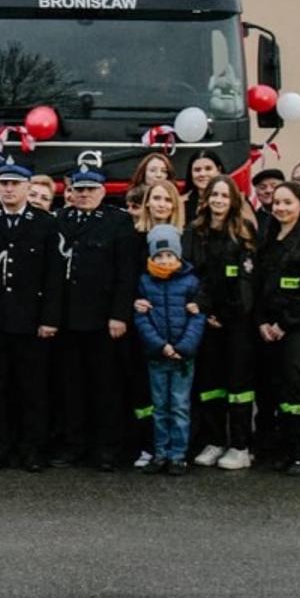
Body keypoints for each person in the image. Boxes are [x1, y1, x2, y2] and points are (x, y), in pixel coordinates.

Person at [0, 160, 63, 472]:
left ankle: (32, 450)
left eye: (14, 184)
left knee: (32, 389)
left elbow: (54, 277)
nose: (7, 189)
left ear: (28, 187)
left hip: (30, 321)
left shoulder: (45, 223)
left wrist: (50, 319)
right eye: (3, 183)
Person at [53, 166, 134, 471]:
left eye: (91, 190)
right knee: (71, 387)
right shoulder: (60, 220)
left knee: (106, 388)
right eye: (79, 190)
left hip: (103, 321)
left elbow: (125, 275)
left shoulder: (118, 222)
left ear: (102, 192)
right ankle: (74, 445)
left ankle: (106, 448)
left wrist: (119, 315)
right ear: (70, 192)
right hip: (68, 319)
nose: (84, 195)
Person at [254, 182, 300, 476]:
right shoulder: (269, 241)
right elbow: (259, 288)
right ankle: (286, 447)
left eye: (288, 202)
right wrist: (262, 321)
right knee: (276, 386)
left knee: (297, 383)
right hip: (269, 328)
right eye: (276, 203)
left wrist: (284, 324)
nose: (281, 208)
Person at [185, 176, 258, 470]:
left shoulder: (243, 233)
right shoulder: (195, 232)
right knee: (210, 383)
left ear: (233, 201)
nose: (218, 200)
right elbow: (192, 274)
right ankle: (215, 440)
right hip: (206, 319)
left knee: (239, 385)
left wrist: (225, 315)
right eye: (214, 194)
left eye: (224, 196)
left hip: (237, 321)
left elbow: (245, 282)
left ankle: (240, 445)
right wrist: (205, 310)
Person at [135, 224, 205, 476]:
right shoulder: (144, 282)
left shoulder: (190, 282)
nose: (164, 260)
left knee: (179, 405)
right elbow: (141, 319)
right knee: (159, 406)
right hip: (157, 355)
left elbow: (197, 319)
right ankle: (160, 452)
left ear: (178, 255)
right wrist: (159, 345)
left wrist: (183, 347)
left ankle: (178, 455)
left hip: (183, 358)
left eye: (169, 255)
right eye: (159, 256)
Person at [128, 180, 186, 468]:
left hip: (177, 331)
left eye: (168, 199)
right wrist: (133, 301)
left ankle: (178, 450)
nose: (161, 204)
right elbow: (125, 277)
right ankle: (149, 446)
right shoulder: (134, 237)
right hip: (145, 327)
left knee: (177, 399)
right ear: (147, 202)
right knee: (146, 393)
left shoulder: (186, 239)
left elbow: (194, 281)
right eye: (157, 198)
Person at [182, 151, 222, 221]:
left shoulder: (235, 200)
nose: (202, 174)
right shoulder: (181, 203)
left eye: (208, 169)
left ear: (219, 170)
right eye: (197, 170)